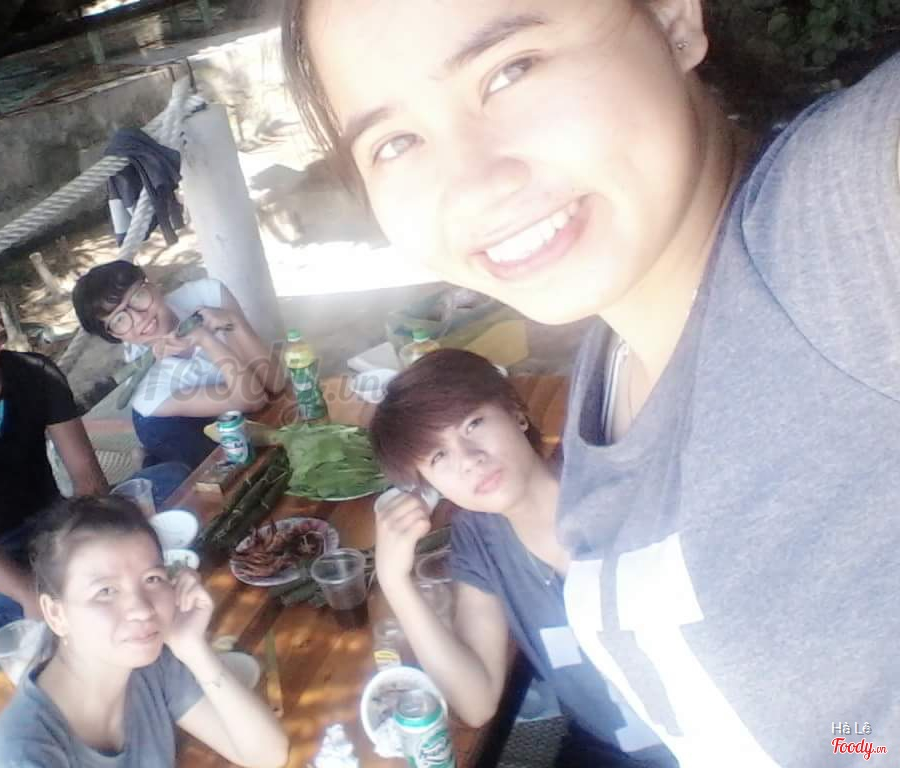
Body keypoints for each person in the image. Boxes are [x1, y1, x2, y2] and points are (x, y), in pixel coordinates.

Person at [282, 2, 899, 765]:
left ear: (672, 18)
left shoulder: (834, 229)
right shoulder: (608, 368)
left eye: (511, 69)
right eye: (395, 141)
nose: (472, 187)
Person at [371, 350, 675, 767]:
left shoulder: (609, 481)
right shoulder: (480, 539)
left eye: (473, 424)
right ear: (428, 486)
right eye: (439, 457)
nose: (469, 460)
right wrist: (394, 581)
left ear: (515, 412)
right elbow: (476, 701)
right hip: (610, 750)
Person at [0, 270, 188, 629]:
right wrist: (27, 592)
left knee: (173, 478)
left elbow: (86, 476)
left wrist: (92, 545)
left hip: (59, 523)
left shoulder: (36, 374)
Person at [0, 495, 289, 768]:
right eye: (106, 591)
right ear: (56, 614)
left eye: (152, 579)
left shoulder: (150, 666)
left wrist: (192, 648)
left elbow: (266, 755)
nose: (142, 609)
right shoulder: (22, 757)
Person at [72, 261, 285, 468]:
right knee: (218, 462)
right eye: (119, 320)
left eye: (137, 297)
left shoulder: (208, 294)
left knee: (261, 419)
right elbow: (253, 399)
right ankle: (149, 461)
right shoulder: (146, 391)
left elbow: (275, 384)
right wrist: (205, 339)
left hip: (232, 393)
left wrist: (233, 322)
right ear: (114, 336)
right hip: (171, 422)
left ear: (152, 285)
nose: (139, 318)